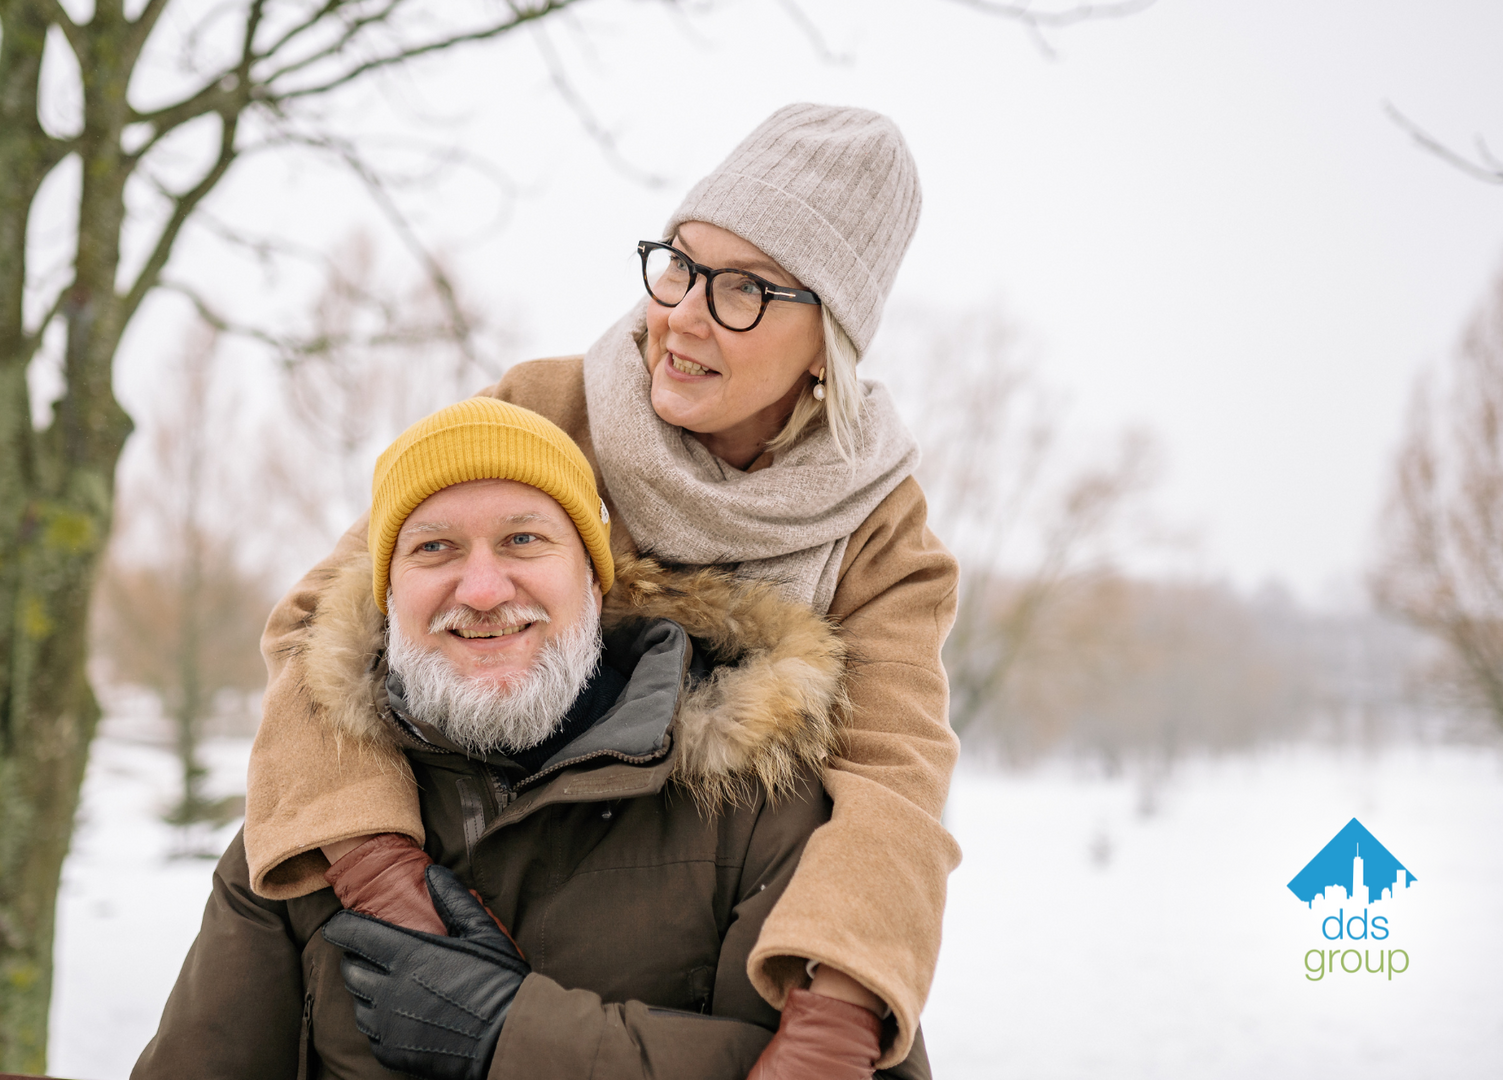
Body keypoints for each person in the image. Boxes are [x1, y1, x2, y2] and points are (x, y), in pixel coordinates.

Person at [244, 103, 961, 1074]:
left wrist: (832, 1018)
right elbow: (320, 627)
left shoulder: (877, 530)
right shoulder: (545, 411)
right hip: (483, 860)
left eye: (745, 289)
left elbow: (892, 785)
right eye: (680, 263)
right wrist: (379, 866)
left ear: (827, 340)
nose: (683, 315)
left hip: (704, 921)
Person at [134, 400, 929, 1079]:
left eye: (523, 540)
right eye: (434, 548)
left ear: (593, 579)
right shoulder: (313, 827)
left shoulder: (760, 807)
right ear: (387, 596)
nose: (482, 590)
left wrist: (513, 1036)